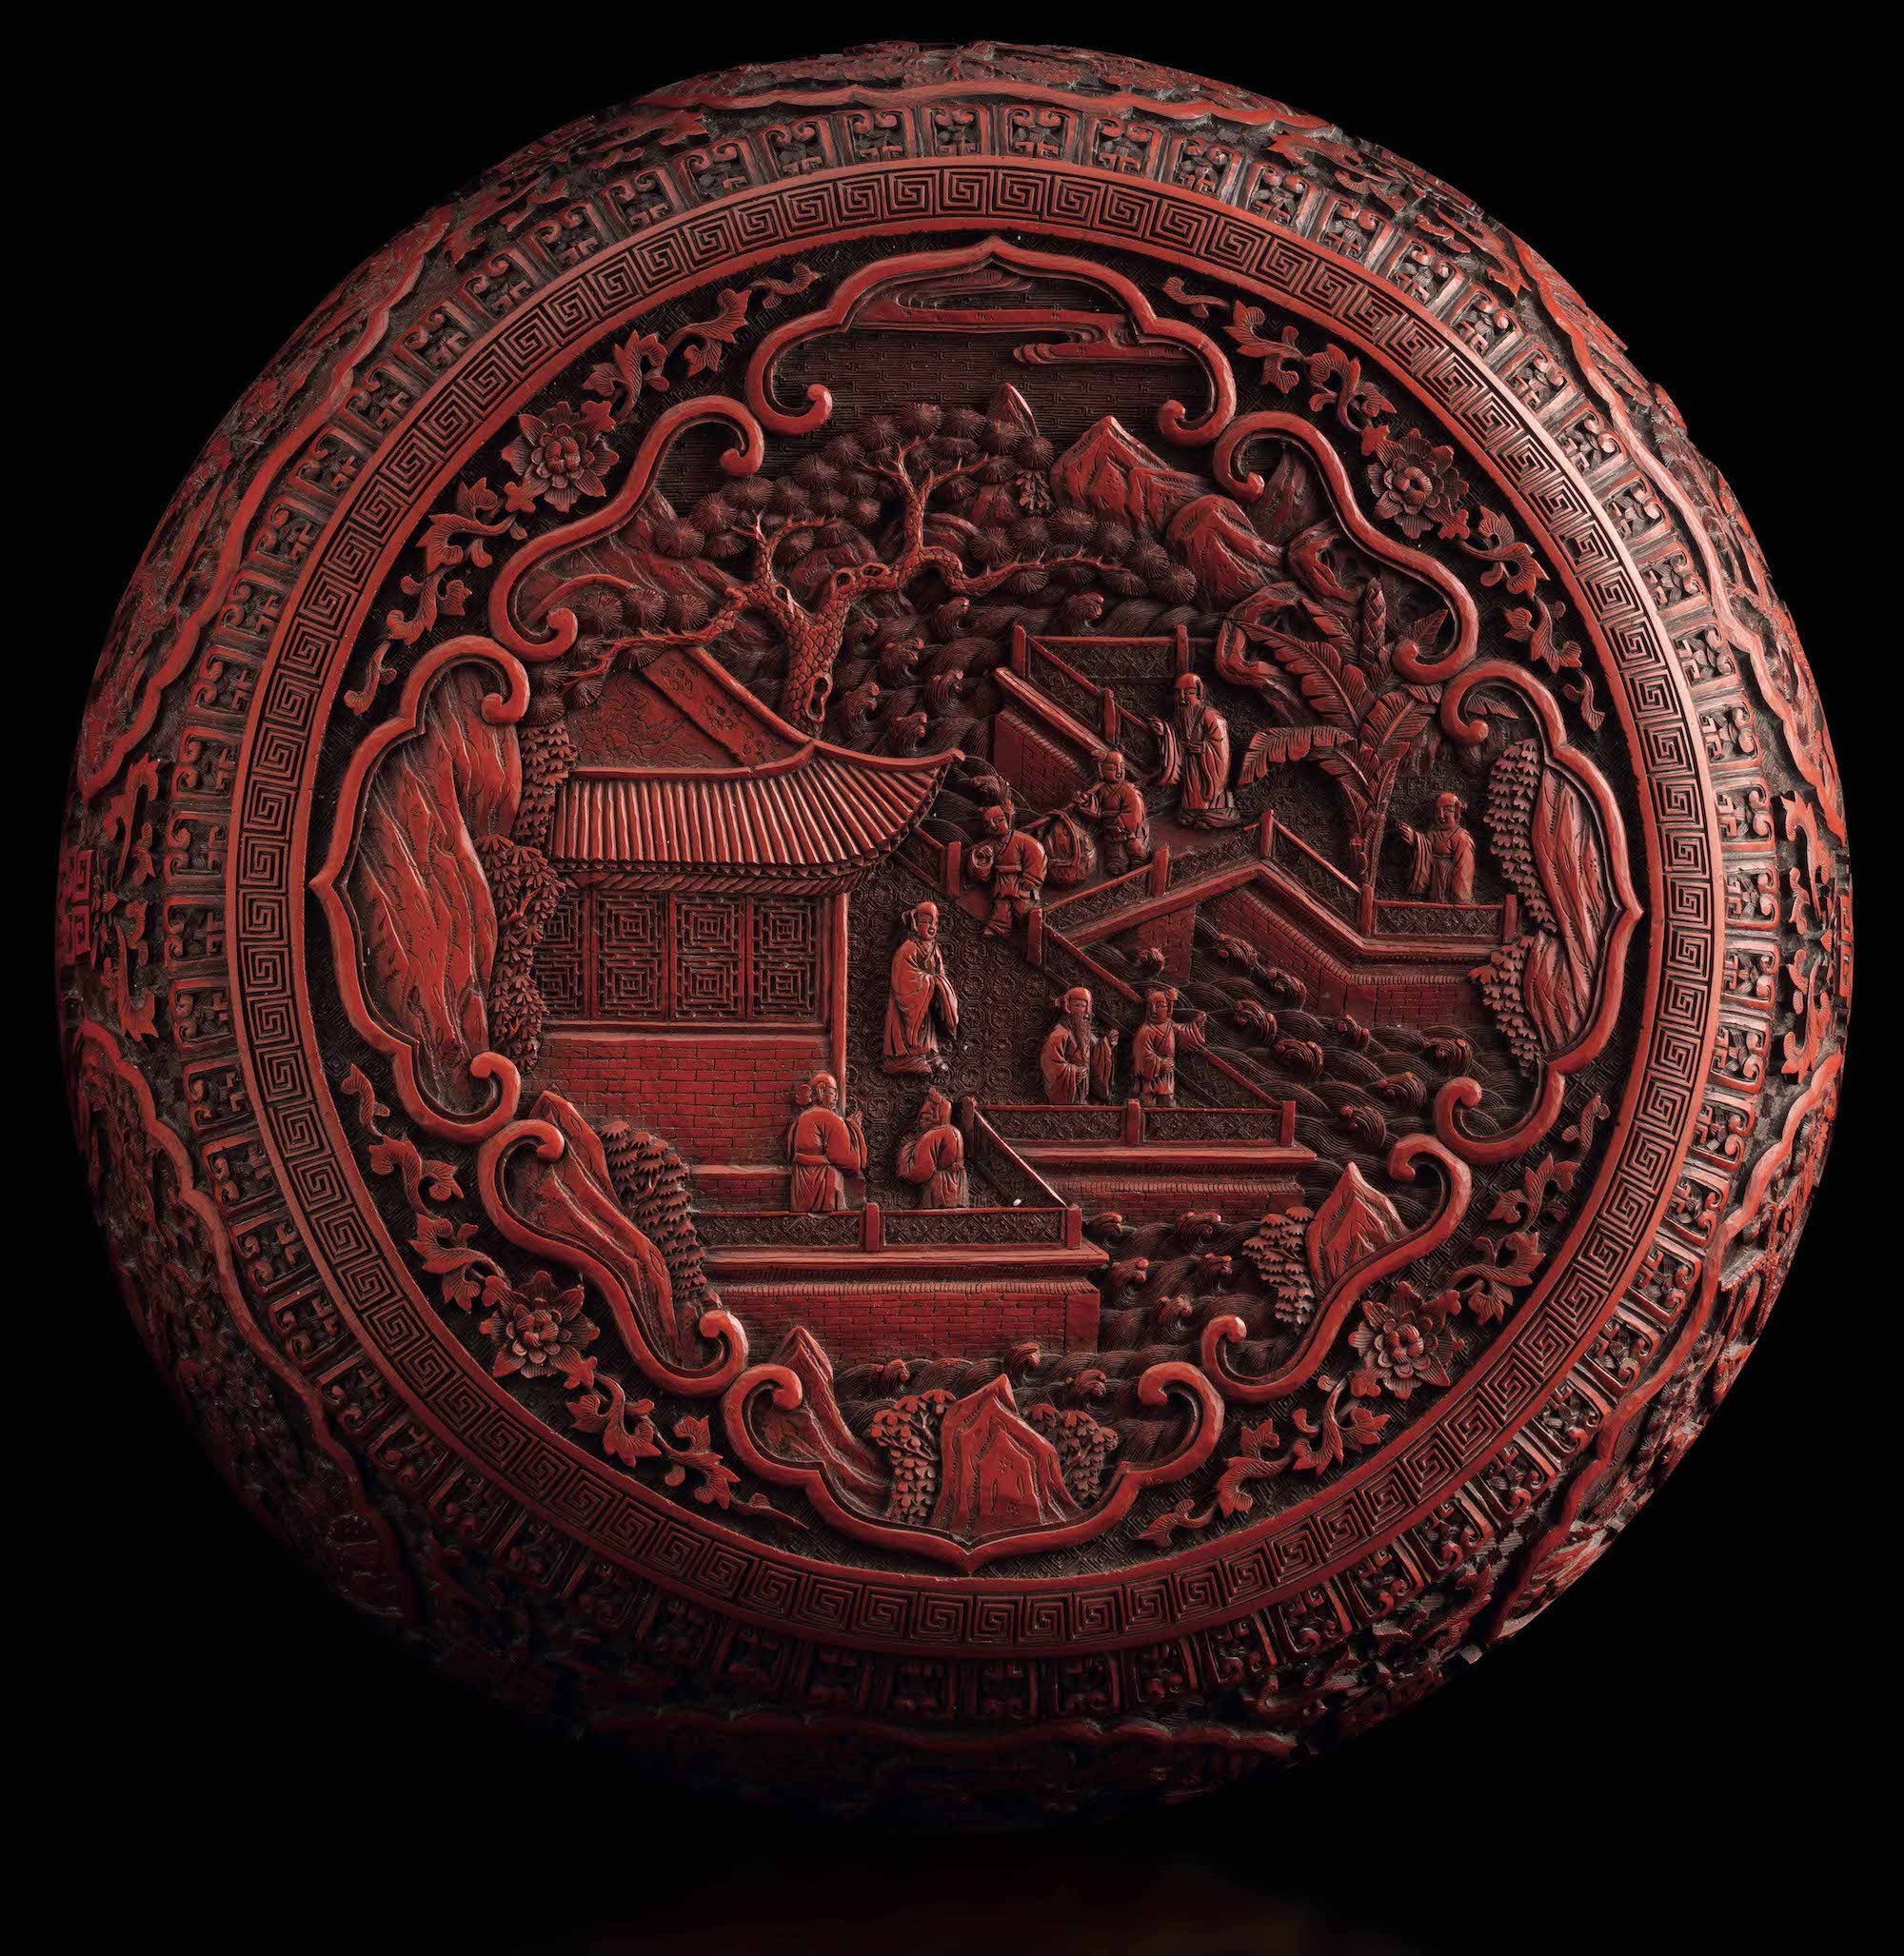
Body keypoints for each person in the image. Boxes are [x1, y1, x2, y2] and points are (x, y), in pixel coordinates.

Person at [882, 900, 959, 1076]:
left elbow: (940, 972)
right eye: (927, 922)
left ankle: (930, 1053)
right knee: (911, 1027)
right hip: (910, 1002)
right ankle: (905, 1058)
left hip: (926, 1001)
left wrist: (940, 987)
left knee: (927, 1027)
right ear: (916, 923)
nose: (932, 927)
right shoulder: (908, 948)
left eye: (935, 923)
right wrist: (930, 982)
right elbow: (904, 979)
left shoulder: (934, 948)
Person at [1155, 672, 1240, 828]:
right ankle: (1193, 812)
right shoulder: (1181, 716)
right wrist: (1164, 731)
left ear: (1199, 693)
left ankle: (1214, 812)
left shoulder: (1211, 716)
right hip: (1190, 765)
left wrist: (1203, 749)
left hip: (1208, 765)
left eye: (1188, 693)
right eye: (1178, 693)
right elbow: (1174, 736)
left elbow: (1221, 746)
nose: (1182, 698)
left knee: (1207, 797)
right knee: (1192, 797)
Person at [785, 1073, 866, 1213]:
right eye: (833, 1092)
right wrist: (854, 1128)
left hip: (802, 1184)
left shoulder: (802, 1117)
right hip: (823, 1183)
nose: (836, 1098)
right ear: (821, 1091)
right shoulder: (829, 1118)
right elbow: (850, 1163)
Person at [969, 802, 1049, 938]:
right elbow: (982, 875)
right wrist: (983, 858)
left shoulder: (1022, 840)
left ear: (1008, 819)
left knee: (1023, 907)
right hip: (1001, 881)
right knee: (1001, 905)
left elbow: (1037, 854)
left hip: (1020, 881)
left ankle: (1030, 927)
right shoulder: (991, 845)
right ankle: (999, 927)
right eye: (988, 824)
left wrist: (1032, 878)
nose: (993, 826)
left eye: (997, 821)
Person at [1069, 749, 1152, 876]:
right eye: (1112, 769)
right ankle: (1119, 870)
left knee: (1138, 852)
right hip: (1111, 831)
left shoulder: (1128, 790)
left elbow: (1135, 810)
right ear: (1101, 771)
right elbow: (1096, 811)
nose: (1119, 771)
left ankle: (1140, 870)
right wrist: (1084, 802)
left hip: (1131, 830)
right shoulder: (1101, 790)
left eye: (1122, 767)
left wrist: (1120, 824)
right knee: (1116, 860)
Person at [1130, 985, 1209, 1107]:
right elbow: (1141, 1056)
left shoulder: (1169, 1025)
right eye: (1150, 1007)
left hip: (1166, 1077)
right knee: (1148, 1102)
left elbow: (1182, 1033)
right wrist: (1160, 1065)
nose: (1153, 1011)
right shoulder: (1145, 1031)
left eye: (1159, 1006)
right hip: (1150, 1077)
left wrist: (1197, 1025)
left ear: (1169, 1008)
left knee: (1166, 1101)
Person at [1039, 986, 1119, 1105]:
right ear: (1068, 1007)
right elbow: (1050, 1064)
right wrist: (1073, 1073)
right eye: (1081, 1006)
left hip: (1083, 1098)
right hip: (1069, 1098)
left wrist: (1107, 1043)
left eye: (1089, 1007)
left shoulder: (1084, 1033)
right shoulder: (1059, 1034)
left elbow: (1096, 1052)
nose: (1087, 1013)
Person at [894, 1087, 969, 1209]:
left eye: (926, 1118)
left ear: (936, 1116)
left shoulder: (934, 1135)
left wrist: (907, 1146)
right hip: (957, 1189)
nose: (921, 1122)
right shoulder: (955, 1132)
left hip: (940, 1192)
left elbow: (915, 1173)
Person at [1395, 791, 1477, 903]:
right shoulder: (1433, 834)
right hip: (1435, 889)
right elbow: (1425, 847)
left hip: (1451, 893)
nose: (1441, 816)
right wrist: (1415, 840)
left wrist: (1460, 900)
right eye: (1438, 811)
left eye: (1447, 811)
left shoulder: (1462, 837)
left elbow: (1464, 872)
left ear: (1456, 813)